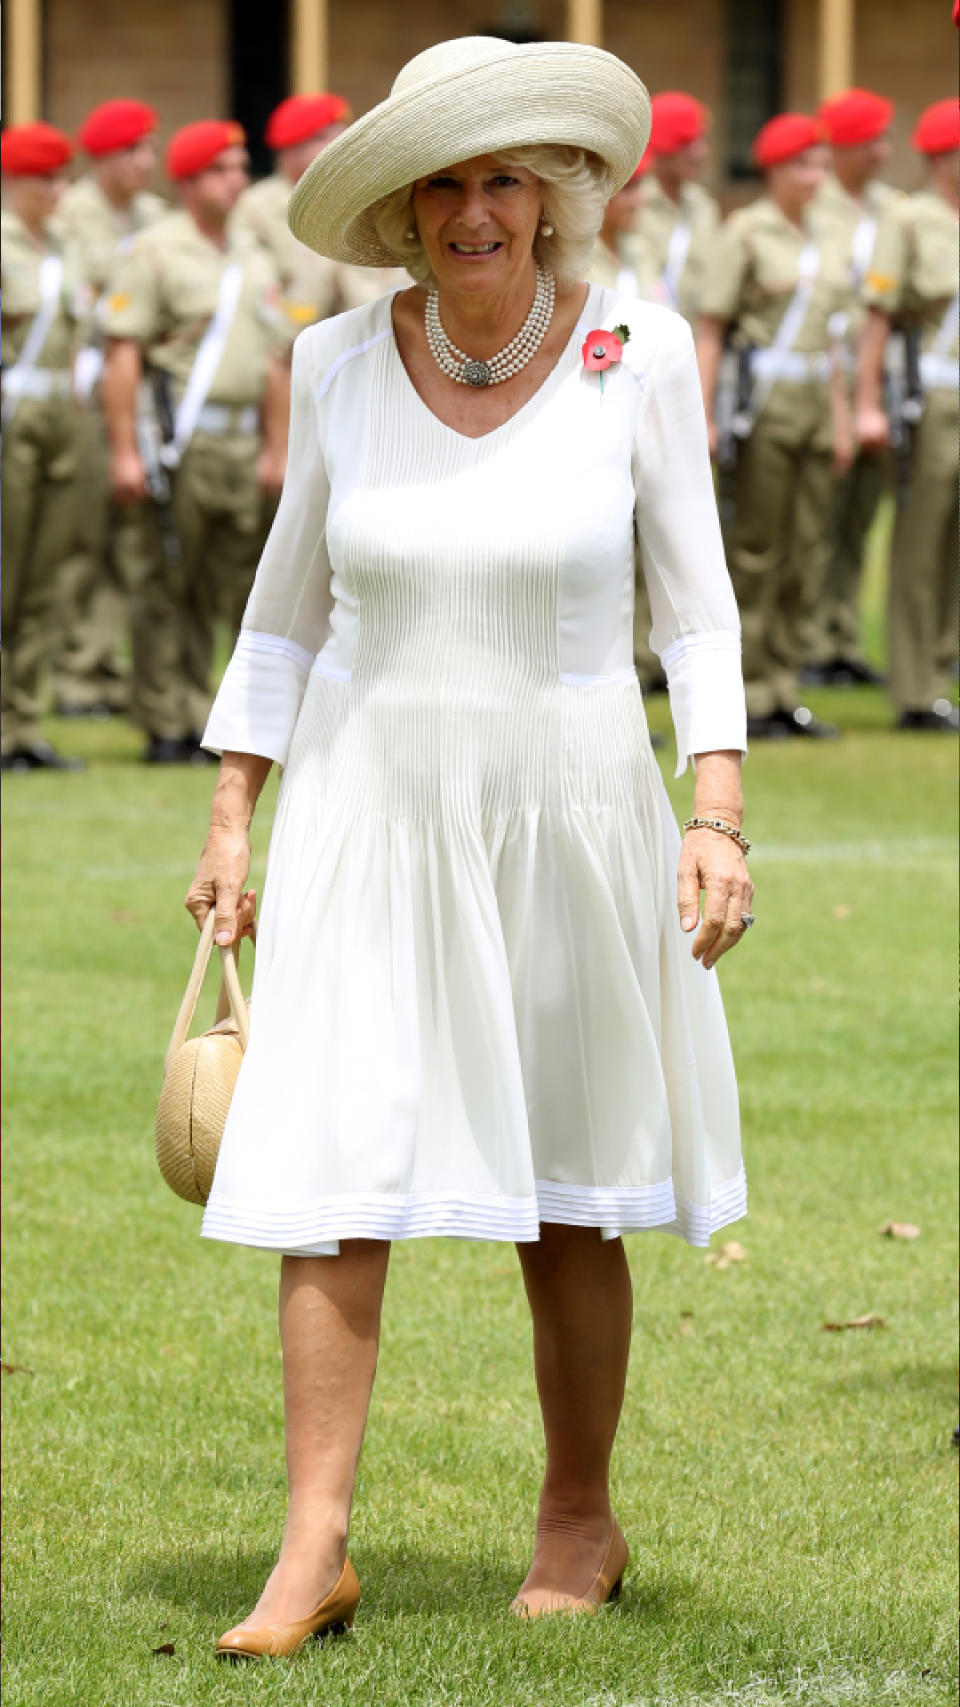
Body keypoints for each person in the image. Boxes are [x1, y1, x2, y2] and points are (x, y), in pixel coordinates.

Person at [186, 36, 752, 1659]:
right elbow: (283, 617)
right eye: (446, 178)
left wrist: (713, 813)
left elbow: (698, 613)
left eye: (507, 175)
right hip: (369, 812)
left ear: (561, 196)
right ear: (405, 206)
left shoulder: (643, 352)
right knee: (327, 1179)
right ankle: (313, 1550)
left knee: (567, 1194)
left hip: (572, 804)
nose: (476, 208)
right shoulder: (339, 362)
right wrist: (235, 811)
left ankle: (580, 1512)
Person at [99, 120, 291, 763]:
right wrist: (125, 450)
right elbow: (123, 354)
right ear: (187, 180)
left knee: (234, 585)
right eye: (222, 168)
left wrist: (277, 446)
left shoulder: (252, 252)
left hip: (242, 444)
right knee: (165, 581)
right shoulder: (153, 251)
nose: (237, 178)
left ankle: (216, 717)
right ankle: (166, 719)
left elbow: (272, 360)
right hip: (180, 442)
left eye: (240, 166)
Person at [696, 113, 851, 740]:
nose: (813, 176)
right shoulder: (746, 232)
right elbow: (711, 326)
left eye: (819, 164)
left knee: (806, 549)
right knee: (758, 552)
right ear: (773, 169)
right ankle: (751, 690)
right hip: (765, 400)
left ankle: (788, 685)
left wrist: (841, 417)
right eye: (801, 165)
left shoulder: (828, 234)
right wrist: (702, 415)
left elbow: (834, 336)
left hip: (817, 394)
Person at [52, 99, 166, 719]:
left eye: (150, 149)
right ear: (103, 156)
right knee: (82, 534)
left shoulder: (153, 215)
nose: (146, 162)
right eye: (134, 151)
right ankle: (75, 670)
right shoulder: (73, 215)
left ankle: (105, 661)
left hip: (139, 385)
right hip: (86, 380)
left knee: (129, 536)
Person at [856, 97, 959, 733]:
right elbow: (878, 314)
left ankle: (943, 669)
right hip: (934, 395)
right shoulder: (910, 218)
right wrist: (868, 402)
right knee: (922, 543)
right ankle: (915, 689)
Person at [805, 88, 896, 687]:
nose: (886, 150)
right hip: (825, 371)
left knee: (862, 514)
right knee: (819, 517)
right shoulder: (818, 206)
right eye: (875, 140)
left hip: (881, 372)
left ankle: (844, 637)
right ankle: (812, 640)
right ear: (848, 147)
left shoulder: (893, 207)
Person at [1, 123, 84, 773]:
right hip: (12, 411)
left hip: (62, 410)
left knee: (41, 579)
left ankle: (23, 725)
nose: (60, 190)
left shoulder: (63, 244)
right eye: (47, 179)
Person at [231, 92, 408, 332]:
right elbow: (255, 294)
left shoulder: (361, 199)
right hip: (294, 340)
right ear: (289, 148)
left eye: (343, 135)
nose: (339, 146)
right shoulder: (256, 207)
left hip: (374, 333)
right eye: (322, 138)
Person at [587, 155, 664, 699]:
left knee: (640, 552)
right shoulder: (578, 260)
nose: (639, 204)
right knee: (601, 553)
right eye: (630, 192)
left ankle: (633, 673)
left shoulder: (639, 254)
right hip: (593, 417)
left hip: (645, 414)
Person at [638, 91, 720, 324]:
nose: (701, 153)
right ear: (661, 144)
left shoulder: (705, 207)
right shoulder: (632, 203)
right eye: (687, 144)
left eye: (702, 142)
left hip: (690, 342)